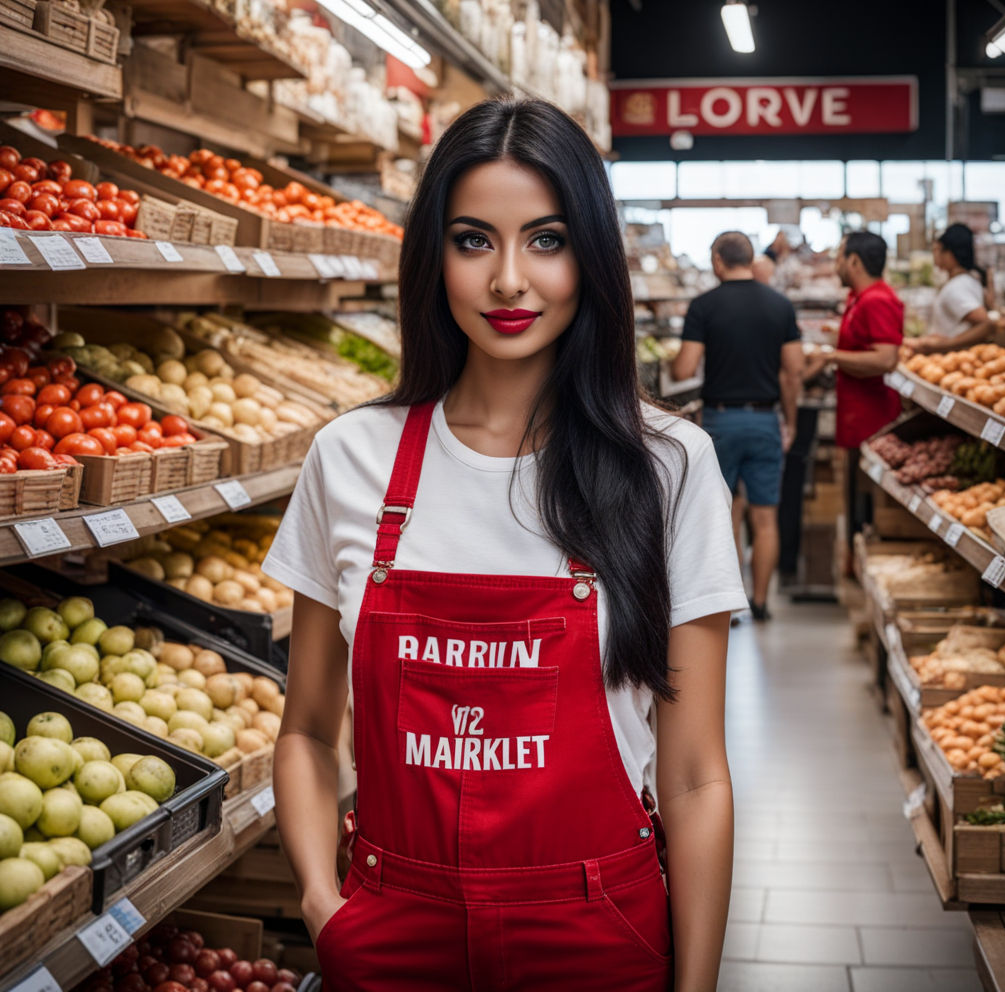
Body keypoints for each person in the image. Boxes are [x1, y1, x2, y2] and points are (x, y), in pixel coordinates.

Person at [264, 97, 748, 992]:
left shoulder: (669, 466)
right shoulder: (350, 457)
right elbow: (303, 730)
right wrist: (322, 902)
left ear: (592, 257)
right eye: (475, 239)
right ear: (433, 256)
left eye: (548, 240)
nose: (510, 280)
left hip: (595, 933)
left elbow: (692, 776)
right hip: (391, 934)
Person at [671, 231, 804, 622]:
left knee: (722, 514)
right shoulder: (780, 306)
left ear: (717, 261)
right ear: (750, 258)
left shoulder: (704, 306)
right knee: (766, 519)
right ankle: (761, 602)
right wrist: (790, 422)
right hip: (765, 419)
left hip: (719, 423)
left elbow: (682, 369)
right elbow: (794, 371)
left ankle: (727, 607)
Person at [806, 231, 904, 545]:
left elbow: (886, 358)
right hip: (857, 417)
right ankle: (854, 551)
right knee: (855, 494)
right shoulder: (859, 298)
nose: (835, 265)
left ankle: (863, 554)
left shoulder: (877, 300)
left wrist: (830, 356)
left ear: (855, 261)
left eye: (838, 257)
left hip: (873, 420)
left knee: (868, 501)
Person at [905, 223, 995, 353]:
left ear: (948, 253)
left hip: (954, 357)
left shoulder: (956, 287)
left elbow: (986, 324)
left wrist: (945, 345)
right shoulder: (968, 280)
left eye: (936, 250)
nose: (934, 255)